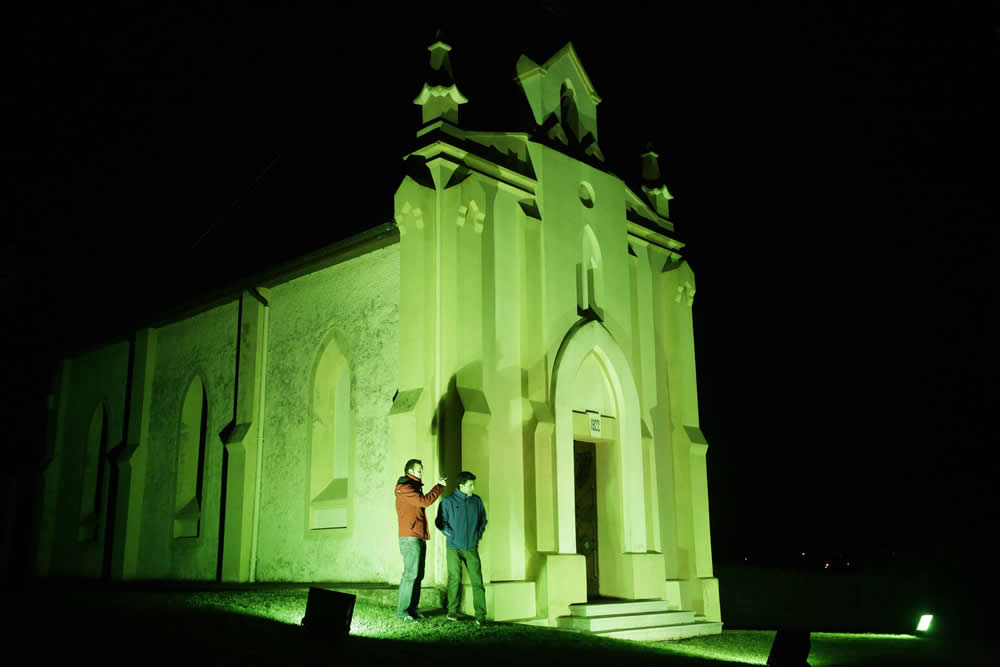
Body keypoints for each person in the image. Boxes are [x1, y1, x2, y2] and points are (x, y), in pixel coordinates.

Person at [395, 458, 446, 621]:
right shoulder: (405, 488)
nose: (422, 472)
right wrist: (439, 487)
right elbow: (424, 502)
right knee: (410, 575)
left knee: (418, 575)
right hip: (410, 538)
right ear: (409, 471)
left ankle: (412, 610)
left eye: (422, 470)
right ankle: (402, 612)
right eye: (419, 470)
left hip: (417, 536)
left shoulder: (413, 487)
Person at [437, 471, 488, 625]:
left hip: (471, 547)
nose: (473, 487)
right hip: (453, 547)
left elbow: (483, 520)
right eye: (470, 485)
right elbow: (440, 522)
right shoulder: (447, 502)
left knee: (477, 581)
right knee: (455, 579)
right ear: (461, 486)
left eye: (473, 484)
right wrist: (451, 535)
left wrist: (477, 536)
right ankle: (452, 611)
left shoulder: (477, 501)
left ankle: (481, 616)